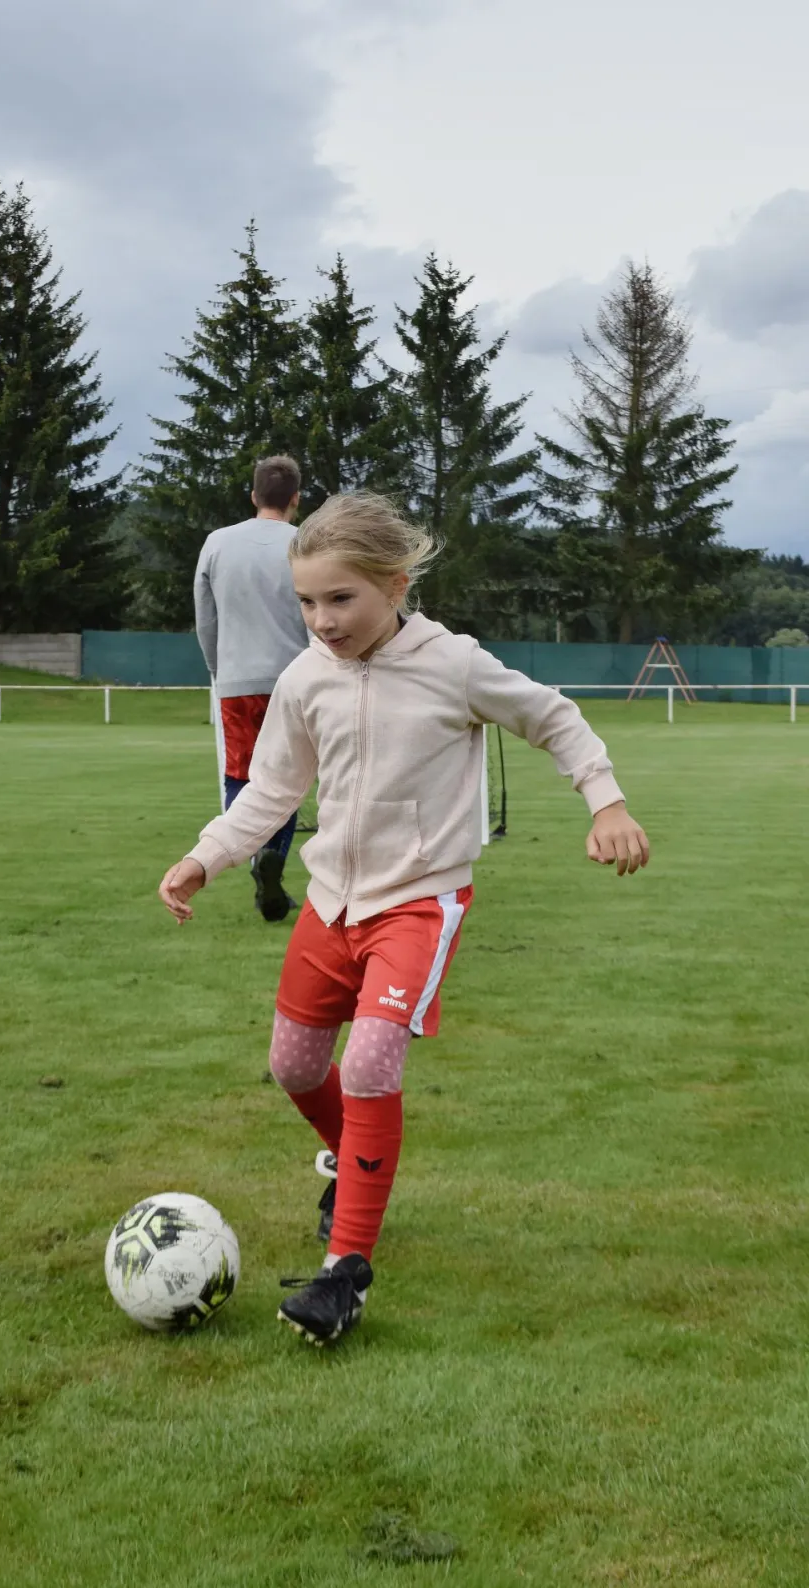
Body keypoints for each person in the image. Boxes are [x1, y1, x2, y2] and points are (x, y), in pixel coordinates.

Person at [161, 493, 650, 1347]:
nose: (322, 620)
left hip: (420, 901)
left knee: (369, 1066)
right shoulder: (303, 678)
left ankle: (343, 1274)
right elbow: (272, 791)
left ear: (395, 585)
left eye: (340, 598)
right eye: (306, 602)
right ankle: (356, 1165)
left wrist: (605, 801)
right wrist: (207, 856)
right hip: (330, 905)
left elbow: (554, 717)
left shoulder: (452, 664)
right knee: (292, 1065)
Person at [194, 455, 309, 922]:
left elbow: (205, 616)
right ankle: (273, 857)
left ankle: (253, 856)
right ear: (295, 498)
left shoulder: (217, 543)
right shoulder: (305, 544)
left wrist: (218, 669)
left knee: (240, 775)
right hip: (296, 680)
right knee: (289, 776)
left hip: (237, 681)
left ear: (254, 496)